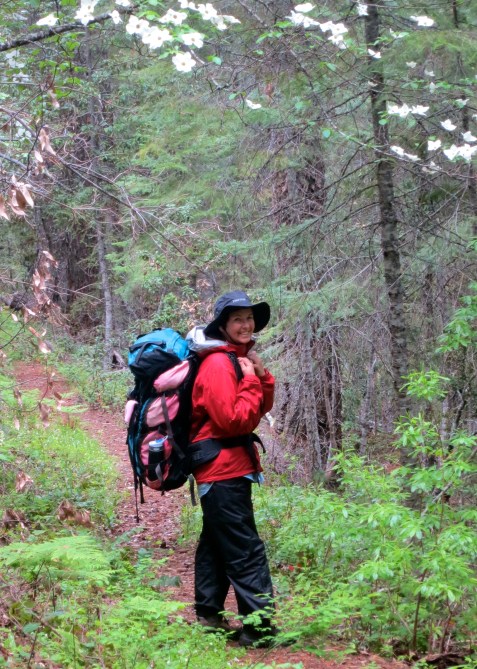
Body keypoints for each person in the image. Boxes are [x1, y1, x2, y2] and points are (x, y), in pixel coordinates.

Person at [189, 290, 276, 648]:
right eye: (238, 319)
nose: (246, 325)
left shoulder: (236, 361)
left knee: (216, 542)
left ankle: (209, 615)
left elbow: (257, 409)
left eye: (250, 318)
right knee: (245, 550)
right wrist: (251, 380)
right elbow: (233, 420)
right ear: (223, 325)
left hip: (226, 469)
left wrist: (261, 376)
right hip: (223, 469)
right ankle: (259, 631)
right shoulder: (217, 365)